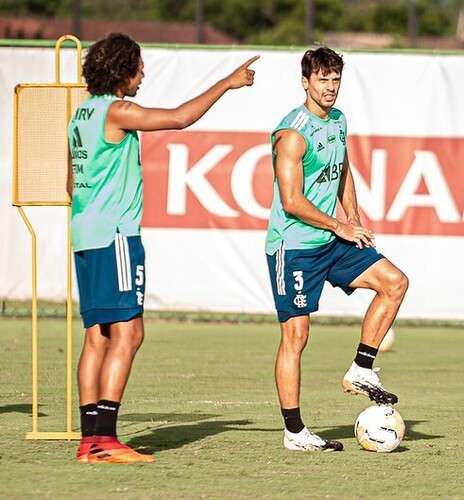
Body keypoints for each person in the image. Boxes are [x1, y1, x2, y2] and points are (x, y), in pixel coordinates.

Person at [68, 32, 259, 463]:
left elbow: (70, 184)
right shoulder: (117, 111)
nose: (143, 74)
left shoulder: (80, 115)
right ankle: (106, 440)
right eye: (138, 66)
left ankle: (89, 441)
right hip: (115, 237)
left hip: (84, 234)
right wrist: (227, 82)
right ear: (122, 70)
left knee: (97, 337)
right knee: (130, 333)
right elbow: (178, 118)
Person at [265, 47, 408, 451]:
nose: (330, 87)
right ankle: (294, 432)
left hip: (334, 240)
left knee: (395, 283)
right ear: (305, 81)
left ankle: (362, 368)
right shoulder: (291, 134)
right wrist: (341, 226)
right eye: (323, 79)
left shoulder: (339, 121)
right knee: (296, 335)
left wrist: (355, 219)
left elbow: (342, 170)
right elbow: (291, 201)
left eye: (335, 79)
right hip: (293, 247)